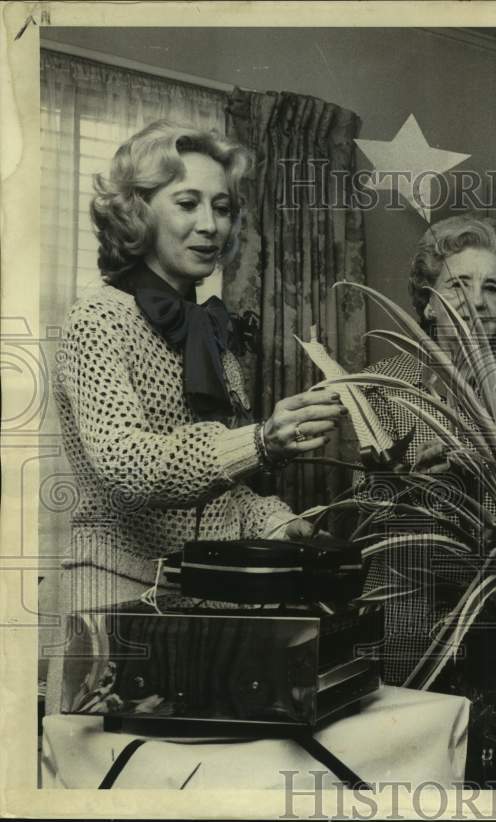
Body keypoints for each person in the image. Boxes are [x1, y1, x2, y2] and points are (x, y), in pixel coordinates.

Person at [46, 121, 345, 711]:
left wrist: (283, 524)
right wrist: (260, 441)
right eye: (187, 203)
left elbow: (223, 496)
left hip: (195, 607)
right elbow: (125, 465)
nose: (211, 225)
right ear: (138, 212)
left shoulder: (214, 339)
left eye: (224, 207)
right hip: (112, 600)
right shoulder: (98, 319)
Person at [359, 214, 496, 686]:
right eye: (459, 285)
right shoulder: (383, 386)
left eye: (492, 288)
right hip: (406, 612)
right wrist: (412, 482)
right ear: (428, 305)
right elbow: (359, 513)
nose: (477, 301)